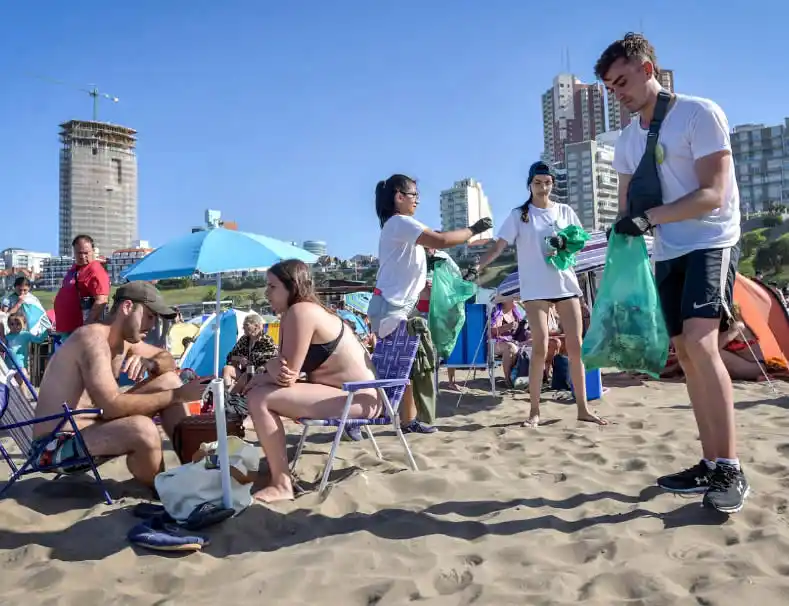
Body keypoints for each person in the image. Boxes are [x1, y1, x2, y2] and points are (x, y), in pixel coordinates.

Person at [597, 33, 747, 512]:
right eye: (609, 87)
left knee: (703, 345)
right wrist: (621, 235)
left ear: (648, 69)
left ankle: (731, 467)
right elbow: (627, 207)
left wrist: (649, 219)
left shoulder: (698, 113)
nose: (617, 93)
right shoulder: (626, 139)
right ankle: (709, 461)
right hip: (666, 251)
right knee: (683, 350)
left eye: (622, 81)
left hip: (710, 240)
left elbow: (713, 194)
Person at [32, 282, 206, 489]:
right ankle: (165, 492)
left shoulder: (125, 341)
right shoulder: (92, 340)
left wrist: (153, 363)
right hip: (54, 446)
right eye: (149, 316)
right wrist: (176, 396)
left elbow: (168, 360)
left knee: (168, 380)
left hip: (94, 426)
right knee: (142, 428)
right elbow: (111, 406)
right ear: (127, 307)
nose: (152, 325)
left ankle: (198, 472)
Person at [475, 162, 606, 428]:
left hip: (565, 284)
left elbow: (579, 241)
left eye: (547, 182)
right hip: (535, 289)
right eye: (537, 182)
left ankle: (583, 408)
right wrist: (480, 265)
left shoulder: (564, 210)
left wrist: (564, 244)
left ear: (552, 184)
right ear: (530, 184)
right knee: (540, 347)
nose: (543, 187)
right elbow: (500, 245)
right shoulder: (520, 215)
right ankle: (534, 412)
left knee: (577, 347)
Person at [243, 259, 380, 503]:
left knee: (260, 398)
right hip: (344, 394)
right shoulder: (292, 314)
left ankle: (282, 484)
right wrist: (267, 372)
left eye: (272, 286)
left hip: (358, 397)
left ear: (292, 286)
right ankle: (279, 475)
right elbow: (283, 370)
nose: (267, 293)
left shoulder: (301, 311)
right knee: (259, 390)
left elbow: (287, 375)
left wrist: (269, 368)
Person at [368, 174, 492, 432]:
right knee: (389, 372)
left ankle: (408, 421)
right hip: (391, 307)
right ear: (399, 197)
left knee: (409, 367)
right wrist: (474, 230)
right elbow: (442, 239)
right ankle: (357, 416)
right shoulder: (399, 222)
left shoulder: (399, 228)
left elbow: (426, 251)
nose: (417, 200)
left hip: (396, 306)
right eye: (413, 195)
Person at [54, 235, 111, 339]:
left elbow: (101, 300)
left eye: (86, 253)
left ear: (93, 251)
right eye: (79, 253)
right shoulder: (76, 268)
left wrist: (87, 326)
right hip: (68, 329)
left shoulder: (95, 270)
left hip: (81, 331)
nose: (82, 256)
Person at [222, 313, 277, 393]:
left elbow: (273, 360)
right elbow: (230, 356)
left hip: (258, 376)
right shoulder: (244, 340)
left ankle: (231, 396)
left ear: (256, 326)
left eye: (246, 325)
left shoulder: (267, 341)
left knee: (245, 376)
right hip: (244, 373)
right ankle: (227, 392)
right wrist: (239, 359)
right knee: (227, 369)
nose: (243, 327)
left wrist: (262, 367)